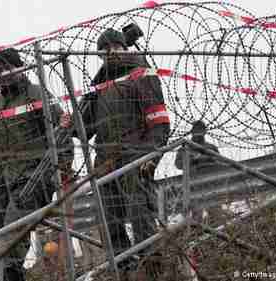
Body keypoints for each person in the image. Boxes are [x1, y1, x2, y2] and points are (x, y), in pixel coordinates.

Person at [0, 48, 73, 281]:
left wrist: (62, 168)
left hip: (31, 178)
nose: (3, 74)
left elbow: (61, 131)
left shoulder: (37, 95)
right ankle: (11, 274)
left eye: (8, 68)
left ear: (20, 67)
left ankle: (10, 275)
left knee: (12, 234)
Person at [81, 28, 171, 275]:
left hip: (135, 155)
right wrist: (71, 120)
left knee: (140, 214)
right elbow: (83, 129)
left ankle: (153, 269)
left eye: (115, 48)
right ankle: (126, 271)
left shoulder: (139, 73)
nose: (110, 54)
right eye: (105, 51)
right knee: (109, 221)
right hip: (105, 161)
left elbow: (159, 121)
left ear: (125, 48)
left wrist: (151, 155)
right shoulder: (100, 84)